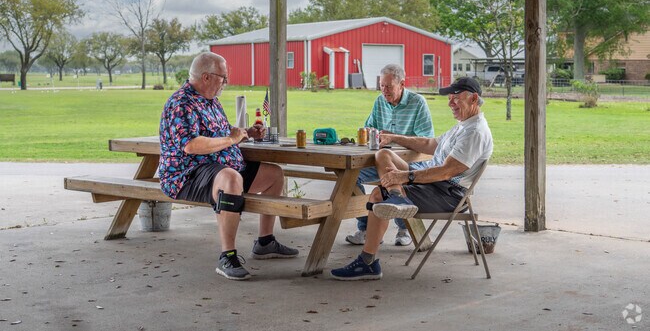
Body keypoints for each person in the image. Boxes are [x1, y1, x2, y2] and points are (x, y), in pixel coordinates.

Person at [331, 77, 493, 280]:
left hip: (447, 193)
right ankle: (397, 196)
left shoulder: (475, 132)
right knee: (384, 155)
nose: (450, 103)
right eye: (449, 98)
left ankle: (367, 262)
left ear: (473, 98)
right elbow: (429, 144)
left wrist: (405, 176)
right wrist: (394, 137)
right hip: (433, 182)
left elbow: (446, 172)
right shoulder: (464, 126)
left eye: (455, 98)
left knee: (378, 194)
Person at [158, 52, 298, 281]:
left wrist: (245, 134)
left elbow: (221, 133)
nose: (226, 82)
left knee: (274, 174)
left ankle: (265, 242)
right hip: (187, 173)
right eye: (223, 77)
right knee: (231, 179)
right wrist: (232, 140)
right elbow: (191, 145)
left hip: (222, 165)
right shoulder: (181, 103)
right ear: (206, 77)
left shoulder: (211, 101)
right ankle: (228, 256)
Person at [345, 64, 434, 247]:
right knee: (350, 176)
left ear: (402, 84)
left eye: (389, 86)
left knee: (392, 178)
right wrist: (371, 131)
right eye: (382, 86)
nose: (384, 91)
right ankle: (366, 228)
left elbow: (426, 140)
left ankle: (404, 228)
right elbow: (370, 126)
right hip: (379, 160)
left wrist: (394, 138)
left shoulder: (418, 103)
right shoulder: (379, 101)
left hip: (408, 163)